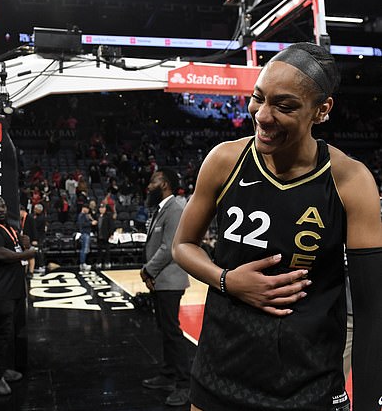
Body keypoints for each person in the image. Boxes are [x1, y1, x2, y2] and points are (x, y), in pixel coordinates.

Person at [171, 42, 382, 411]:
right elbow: (183, 245)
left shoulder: (351, 180)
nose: (262, 116)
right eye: (258, 98)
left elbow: (371, 310)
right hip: (220, 372)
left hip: (310, 385)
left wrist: (368, 403)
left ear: (322, 111)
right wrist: (227, 280)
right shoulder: (225, 159)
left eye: (283, 106)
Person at [140, 167, 191, 407]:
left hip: (170, 280)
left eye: (153, 181)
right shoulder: (161, 209)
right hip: (161, 280)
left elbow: (169, 247)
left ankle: (184, 384)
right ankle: (169, 373)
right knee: (165, 329)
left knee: (172, 331)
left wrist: (148, 270)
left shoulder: (176, 209)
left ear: (165, 184)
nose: (149, 185)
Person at [0, 196, 36, 395]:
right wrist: (27, 254)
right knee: (1, 333)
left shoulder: (10, 228)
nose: (1, 209)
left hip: (12, 289)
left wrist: (24, 244)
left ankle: (2, 370)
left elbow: (17, 248)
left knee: (10, 332)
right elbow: (0, 254)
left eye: (3, 205)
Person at [19, 205, 38, 277]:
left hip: (30, 239)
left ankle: (31, 271)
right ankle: (25, 271)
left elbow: (34, 229)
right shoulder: (20, 219)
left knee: (31, 256)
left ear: (22, 211)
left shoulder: (30, 218)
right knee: (25, 256)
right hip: (23, 240)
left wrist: (35, 239)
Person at [77, 203, 97, 270]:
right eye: (87, 209)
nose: (88, 210)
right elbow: (82, 224)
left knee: (85, 249)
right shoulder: (81, 215)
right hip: (84, 234)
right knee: (84, 249)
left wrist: (91, 219)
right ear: (84, 208)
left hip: (87, 233)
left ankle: (83, 263)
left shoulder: (85, 215)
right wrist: (91, 223)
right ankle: (82, 263)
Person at [96, 203, 116, 269]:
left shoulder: (108, 216)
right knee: (99, 250)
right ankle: (99, 262)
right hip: (99, 235)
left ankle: (107, 262)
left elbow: (111, 225)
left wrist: (111, 234)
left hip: (106, 235)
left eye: (103, 208)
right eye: (101, 208)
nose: (102, 209)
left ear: (105, 209)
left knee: (107, 250)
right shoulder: (97, 216)